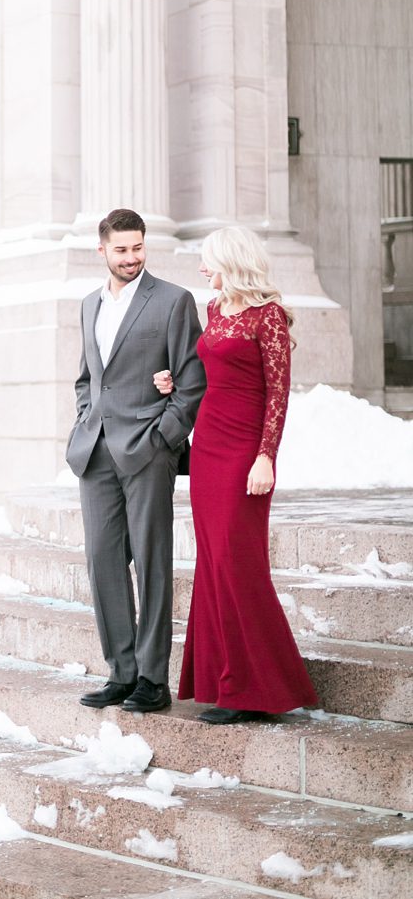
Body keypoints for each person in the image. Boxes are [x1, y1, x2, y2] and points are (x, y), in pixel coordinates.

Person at [154, 226, 317, 723]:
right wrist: (174, 381)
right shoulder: (213, 310)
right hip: (207, 448)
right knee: (212, 563)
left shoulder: (268, 316)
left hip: (246, 450)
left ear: (232, 260)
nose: (203, 270)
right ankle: (222, 681)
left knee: (237, 563)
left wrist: (266, 456)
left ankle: (257, 688)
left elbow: (278, 391)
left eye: (208, 261)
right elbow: (212, 376)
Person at [65, 208, 206, 714]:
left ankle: (152, 677)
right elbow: (87, 378)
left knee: (151, 562)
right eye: (121, 249)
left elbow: (191, 384)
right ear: (101, 250)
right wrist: (86, 419)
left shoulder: (173, 301)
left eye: (138, 248)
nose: (131, 257)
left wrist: (163, 438)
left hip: (148, 450)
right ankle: (120, 672)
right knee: (103, 562)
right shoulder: (89, 305)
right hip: (95, 451)